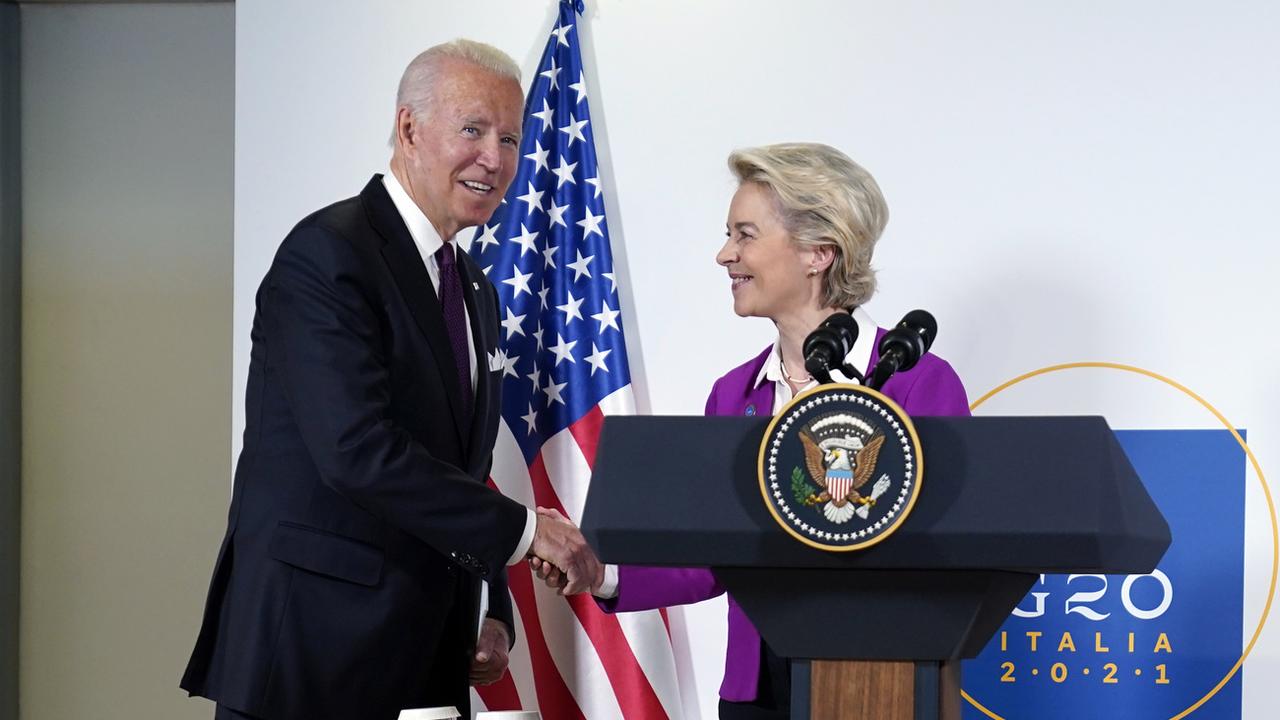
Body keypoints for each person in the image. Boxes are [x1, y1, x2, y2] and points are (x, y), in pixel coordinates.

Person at [180, 40, 601, 720]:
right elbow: (356, 451)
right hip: (311, 662)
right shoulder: (328, 255)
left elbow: (461, 468)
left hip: (427, 661)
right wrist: (527, 533)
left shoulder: (474, 289)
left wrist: (489, 605)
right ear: (409, 128)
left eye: (510, 138)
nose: (495, 160)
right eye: (473, 130)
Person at [533, 142, 971, 719]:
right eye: (728, 234)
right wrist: (602, 571)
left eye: (744, 235)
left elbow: (949, 555)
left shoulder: (917, 383)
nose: (724, 254)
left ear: (819, 252)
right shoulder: (733, 395)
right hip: (756, 692)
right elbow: (711, 558)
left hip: (876, 685)